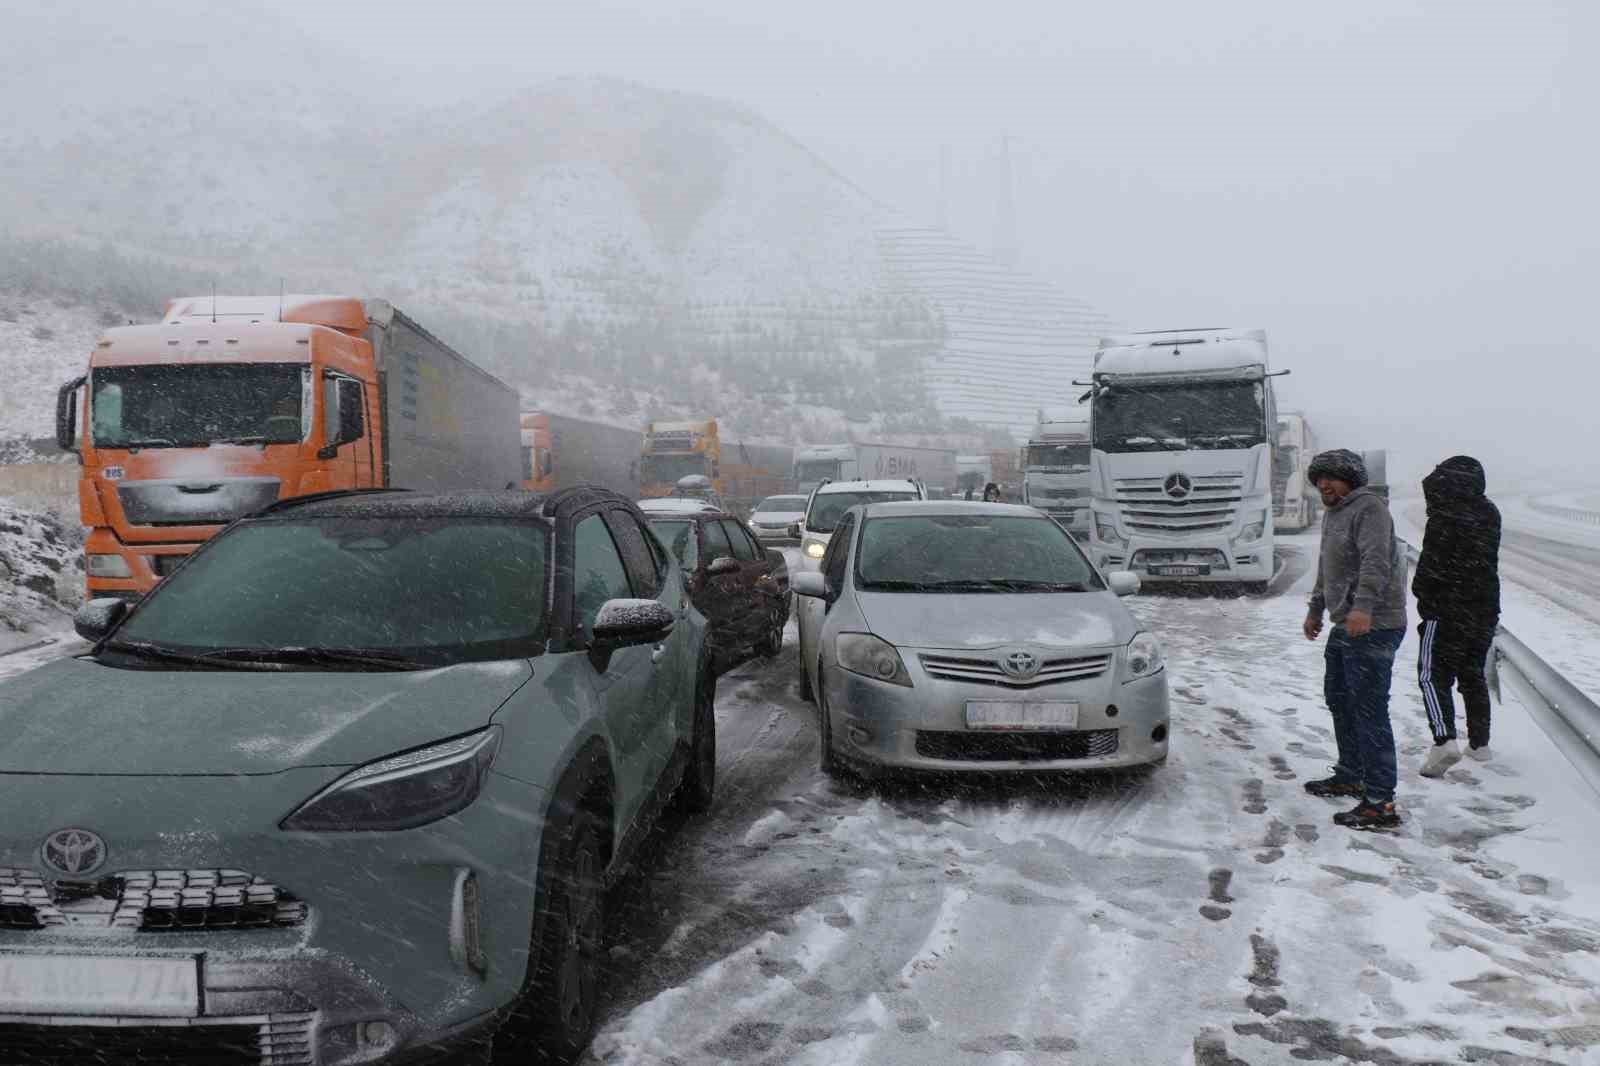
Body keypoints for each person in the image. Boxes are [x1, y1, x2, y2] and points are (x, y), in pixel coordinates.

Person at [1301, 449, 1409, 830]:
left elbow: (1376, 561)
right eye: (1318, 479)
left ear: (1350, 479)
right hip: (1345, 624)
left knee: (1369, 710)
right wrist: (1316, 608)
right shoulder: (1335, 514)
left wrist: (1363, 607)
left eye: (1331, 477)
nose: (1324, 485)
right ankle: (1352, 773)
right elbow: (1327, 568)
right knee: (1340, 700)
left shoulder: (1369, 509)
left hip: (1374, 625)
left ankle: (1381, 801)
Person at [1413, 456, 1501, 776]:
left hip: (1446, 610)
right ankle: (1480, 744)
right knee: (1472, 675)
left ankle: (1443, 742)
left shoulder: (1444, 517)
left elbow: (1431, 566)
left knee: (1431, 675)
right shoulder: (1489, 513)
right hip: (1484, 609)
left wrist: (1422, 593)